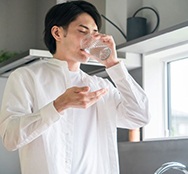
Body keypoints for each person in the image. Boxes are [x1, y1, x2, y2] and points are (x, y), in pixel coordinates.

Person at [0, 1, 150, 174]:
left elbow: (140, 116)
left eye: (95, 34)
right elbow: (10, 139)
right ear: (57, 32)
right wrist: (58, 105)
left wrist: (113, 64)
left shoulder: (99, 86)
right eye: (82, 31)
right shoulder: (26, 77)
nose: (91, 40)